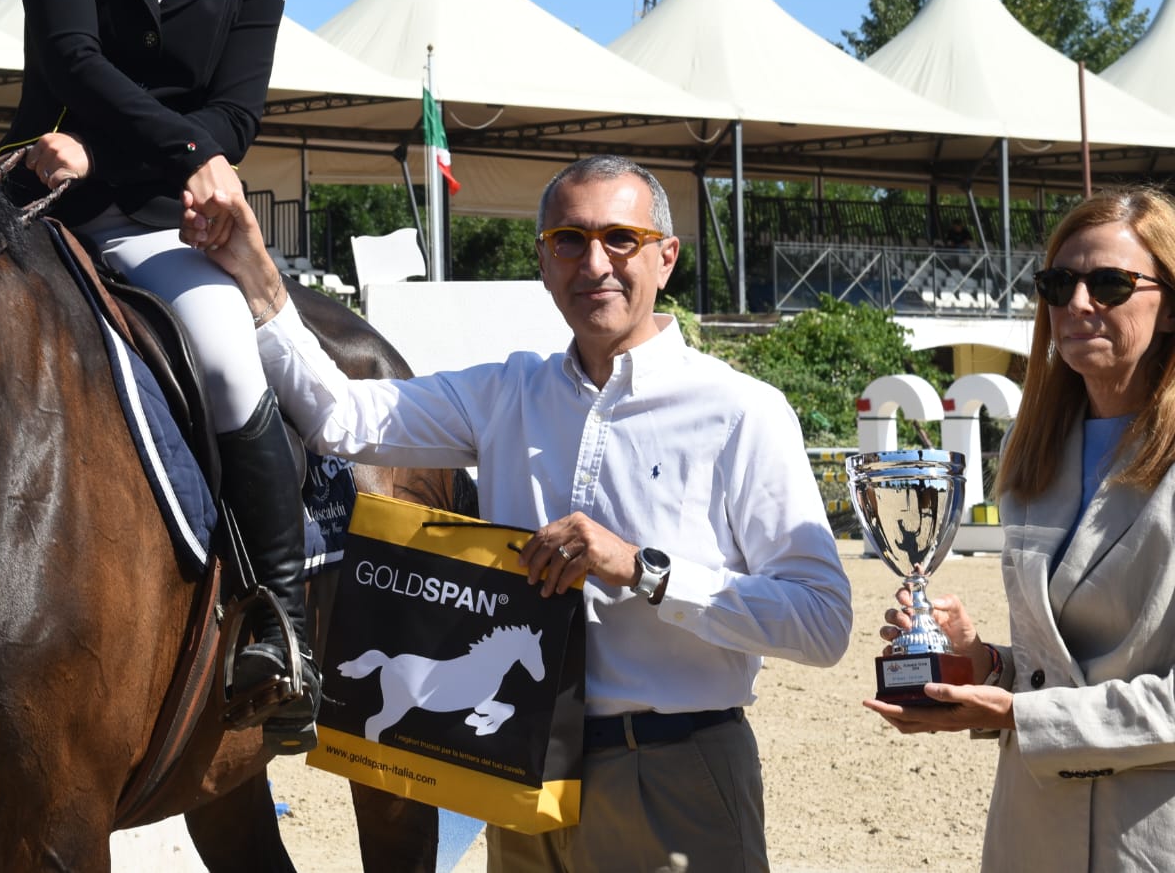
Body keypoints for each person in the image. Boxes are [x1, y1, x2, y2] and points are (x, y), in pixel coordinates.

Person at [196, 153, 853, 871]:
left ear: (666, 258)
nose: (594, 262)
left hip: (674, 774)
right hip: (520, 776)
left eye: (621, 238)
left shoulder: (743, 411)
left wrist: (641, 569)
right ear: (543, 262)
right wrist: (254, 268)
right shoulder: (507, 392)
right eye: (569, 240)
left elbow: (822, 622)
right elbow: (339, 416)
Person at [0, 0, 318, 750]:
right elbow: (71, 57)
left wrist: (170, 161)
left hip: (154, 219)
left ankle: (279, 619)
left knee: (225, 352)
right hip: (40, 191)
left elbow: (238, 112)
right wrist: (155, 151)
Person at [865, 186, 1175, 872]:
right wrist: (978, 660)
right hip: (1032, 831)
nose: (1079, 302)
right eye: (1058, 283)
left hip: (1150, 837)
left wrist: (1015, 714)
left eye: (1111, 283)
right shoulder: (1031, 452)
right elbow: (1056, 667)